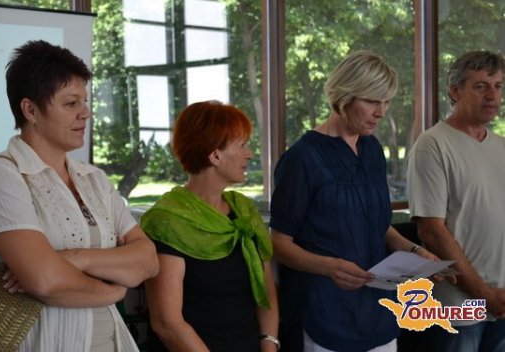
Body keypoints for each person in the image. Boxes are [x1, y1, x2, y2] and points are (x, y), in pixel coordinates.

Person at [0, 40, 159, 352]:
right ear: (30, 110)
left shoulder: (94, 179)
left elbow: (148, 261)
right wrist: (114, 290)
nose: (85, 114)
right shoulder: (1, 174)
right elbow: (45, 281)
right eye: (71, 104)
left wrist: (75, 258)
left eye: (85, 102)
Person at [269, 50, 440, 352]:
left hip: (379, 313)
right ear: (344, 96)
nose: (381, 112)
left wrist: (415, 252)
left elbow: (377, 224)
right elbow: (278, 243)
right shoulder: (301, 159)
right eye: (373, 101)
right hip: (324, 313)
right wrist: (328, 267)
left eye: (386, 102)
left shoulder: (372, 150)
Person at [141, 100, 279, 352]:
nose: (250, 154)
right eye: (242, 145)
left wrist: (269, 344)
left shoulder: (244, 211)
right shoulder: (168, 220)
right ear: (215, 155)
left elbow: (267, 293)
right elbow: (167, 323)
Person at [407, 50, 505, 351]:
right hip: (459, 309)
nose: (492, 95)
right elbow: (432, 232)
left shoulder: (501, 146)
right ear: (455, 91)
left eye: (498, 86)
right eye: (480, 86)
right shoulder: (432, 144)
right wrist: (484, 296)